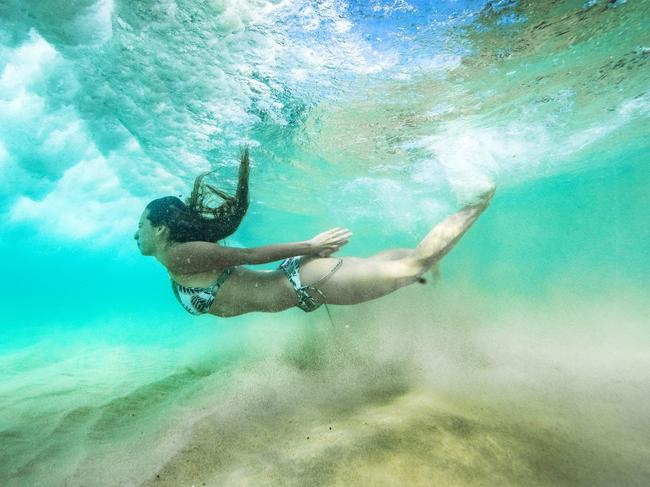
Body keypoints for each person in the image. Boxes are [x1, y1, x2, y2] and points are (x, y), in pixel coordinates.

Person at [134, 147, 495, 317]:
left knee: (414, 266)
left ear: (162, 230)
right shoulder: (174, 259)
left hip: (306, 281)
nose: (136, 235)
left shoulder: (180, 255)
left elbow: (247, 256)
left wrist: (311, 244)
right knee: (397, 264)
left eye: (141, 226)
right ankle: (420, 258)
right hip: (301, 281)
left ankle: (476, 201)